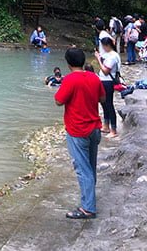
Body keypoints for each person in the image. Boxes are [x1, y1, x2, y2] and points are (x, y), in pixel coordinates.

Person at [54, 46, 103, 219]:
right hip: (95, 128)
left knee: (83, 169)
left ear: (68, 63)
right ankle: (89, 200)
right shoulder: (94, 77)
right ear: (83, 61)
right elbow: (102, 98)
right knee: (90, 166)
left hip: (77, 130)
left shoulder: (70, 80)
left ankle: (88, 208)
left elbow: (59, 101)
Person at [95, 37, 120, 138]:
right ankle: (106, 126)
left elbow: (106, 71)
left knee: (109, 105)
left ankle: (113, 130)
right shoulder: (108, 55)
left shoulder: (113, 56)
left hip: (108, 82)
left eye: (103, 45)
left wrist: (98, 60)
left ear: (107, 45)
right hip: (103, 81)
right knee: (104, 104)